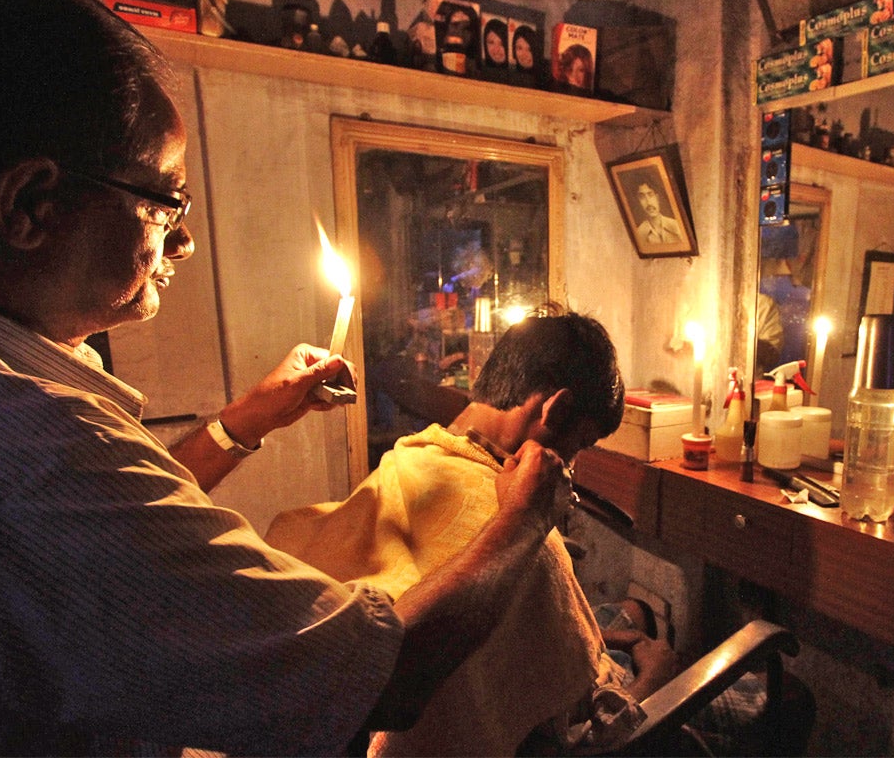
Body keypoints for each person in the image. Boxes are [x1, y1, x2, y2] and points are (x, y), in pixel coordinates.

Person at [0, 0, 571, 755]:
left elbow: (110, 526)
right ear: (30, 205)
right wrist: (523, 521)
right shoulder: (26, 458)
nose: (181, 243)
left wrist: (242, 422)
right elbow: (380, 676)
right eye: (164, 202)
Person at [266, 309, 678, 755]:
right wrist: (653, 679)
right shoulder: (523, 533)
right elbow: (572, 736)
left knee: (632, 614)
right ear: (554, 409)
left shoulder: (409, 459)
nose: (572, 464)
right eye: (577, 445)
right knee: (674, 663)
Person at [632, 175, 683, 248]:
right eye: (642, 197)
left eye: (650, 195)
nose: (648, 202)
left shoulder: (677, 226)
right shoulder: (639, 234)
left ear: (657, 198)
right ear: (638, 202)